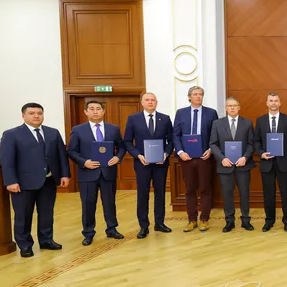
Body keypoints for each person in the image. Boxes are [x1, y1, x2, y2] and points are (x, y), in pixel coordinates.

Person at [0, 102, 70, 257]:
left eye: (39, 113)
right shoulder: (11, 134)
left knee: (46, 214)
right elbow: (7, 160)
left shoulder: (53, 133)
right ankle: (25, 245)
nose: (36, 116)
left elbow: (61, 156)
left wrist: (65, 175)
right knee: (23, 216)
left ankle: (46, 240)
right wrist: (10, 181)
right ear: (23, 115)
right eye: (32, 113)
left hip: (48, 181)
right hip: (23, 183)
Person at [67, 100, 126, 245]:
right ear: (85, 112)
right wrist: (84, 162)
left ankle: (111, 228)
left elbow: (122, 147)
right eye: (92, 109)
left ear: (103, 111)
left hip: (108, 172)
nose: (95, 111)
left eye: (98, 108)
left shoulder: (113, 129)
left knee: (109, 203)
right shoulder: (78, 130)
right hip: (87, 173)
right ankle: (88, 233)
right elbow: (71, 151)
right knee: (88, 204)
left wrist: (117, 158)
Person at [123, 93, 174, 238]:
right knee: (142, 194)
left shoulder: (165, 119)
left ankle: (160, 223)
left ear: (156, 102)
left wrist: (166, 154)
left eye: (153, 100)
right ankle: (143, 226)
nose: (150, 102)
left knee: (160, 193)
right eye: (147, 100)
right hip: (142, 163)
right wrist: (138, 155)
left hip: (160, 163)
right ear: (142, 102)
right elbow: (127, 141)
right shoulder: (133, 119)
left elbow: (171, 140)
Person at [173, 86, 219, 232]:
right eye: (195, 94)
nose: (198, 96)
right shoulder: (181, 113)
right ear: (189, 97)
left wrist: (211, 150)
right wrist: (180, 152)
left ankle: (204, 219)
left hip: (204, 157)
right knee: (190, 189)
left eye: (200, 94)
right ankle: (192, 220)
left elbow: (215, 134)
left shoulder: (211, 113)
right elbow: (176, 135)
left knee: (205, 188)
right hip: (186, 158)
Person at [209, 97, 256, 232]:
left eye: (235, 105)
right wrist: (222, 158)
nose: (232, 108)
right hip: (225, 165)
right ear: (226, 108)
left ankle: (246, 220)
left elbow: (251, 143)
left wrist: (245, 157)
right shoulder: (217, 123)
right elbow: (213, 144)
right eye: (229, 106)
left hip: (243, 165)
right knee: (227, 194)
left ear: (239, 107)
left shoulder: (247, 123)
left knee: (244, 194)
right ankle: (229, 221)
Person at [254, 92, 287, 232]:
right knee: (268, 194)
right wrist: (262, 153)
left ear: (280, 103)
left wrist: (285, 153)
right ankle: (269, 220)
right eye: (271, 101)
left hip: (284, 163)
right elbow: (256, 141)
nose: (273, 103)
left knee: (286, 194)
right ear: (267, 103)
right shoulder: (260, 120)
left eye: (276, 101)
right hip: (267, 163)